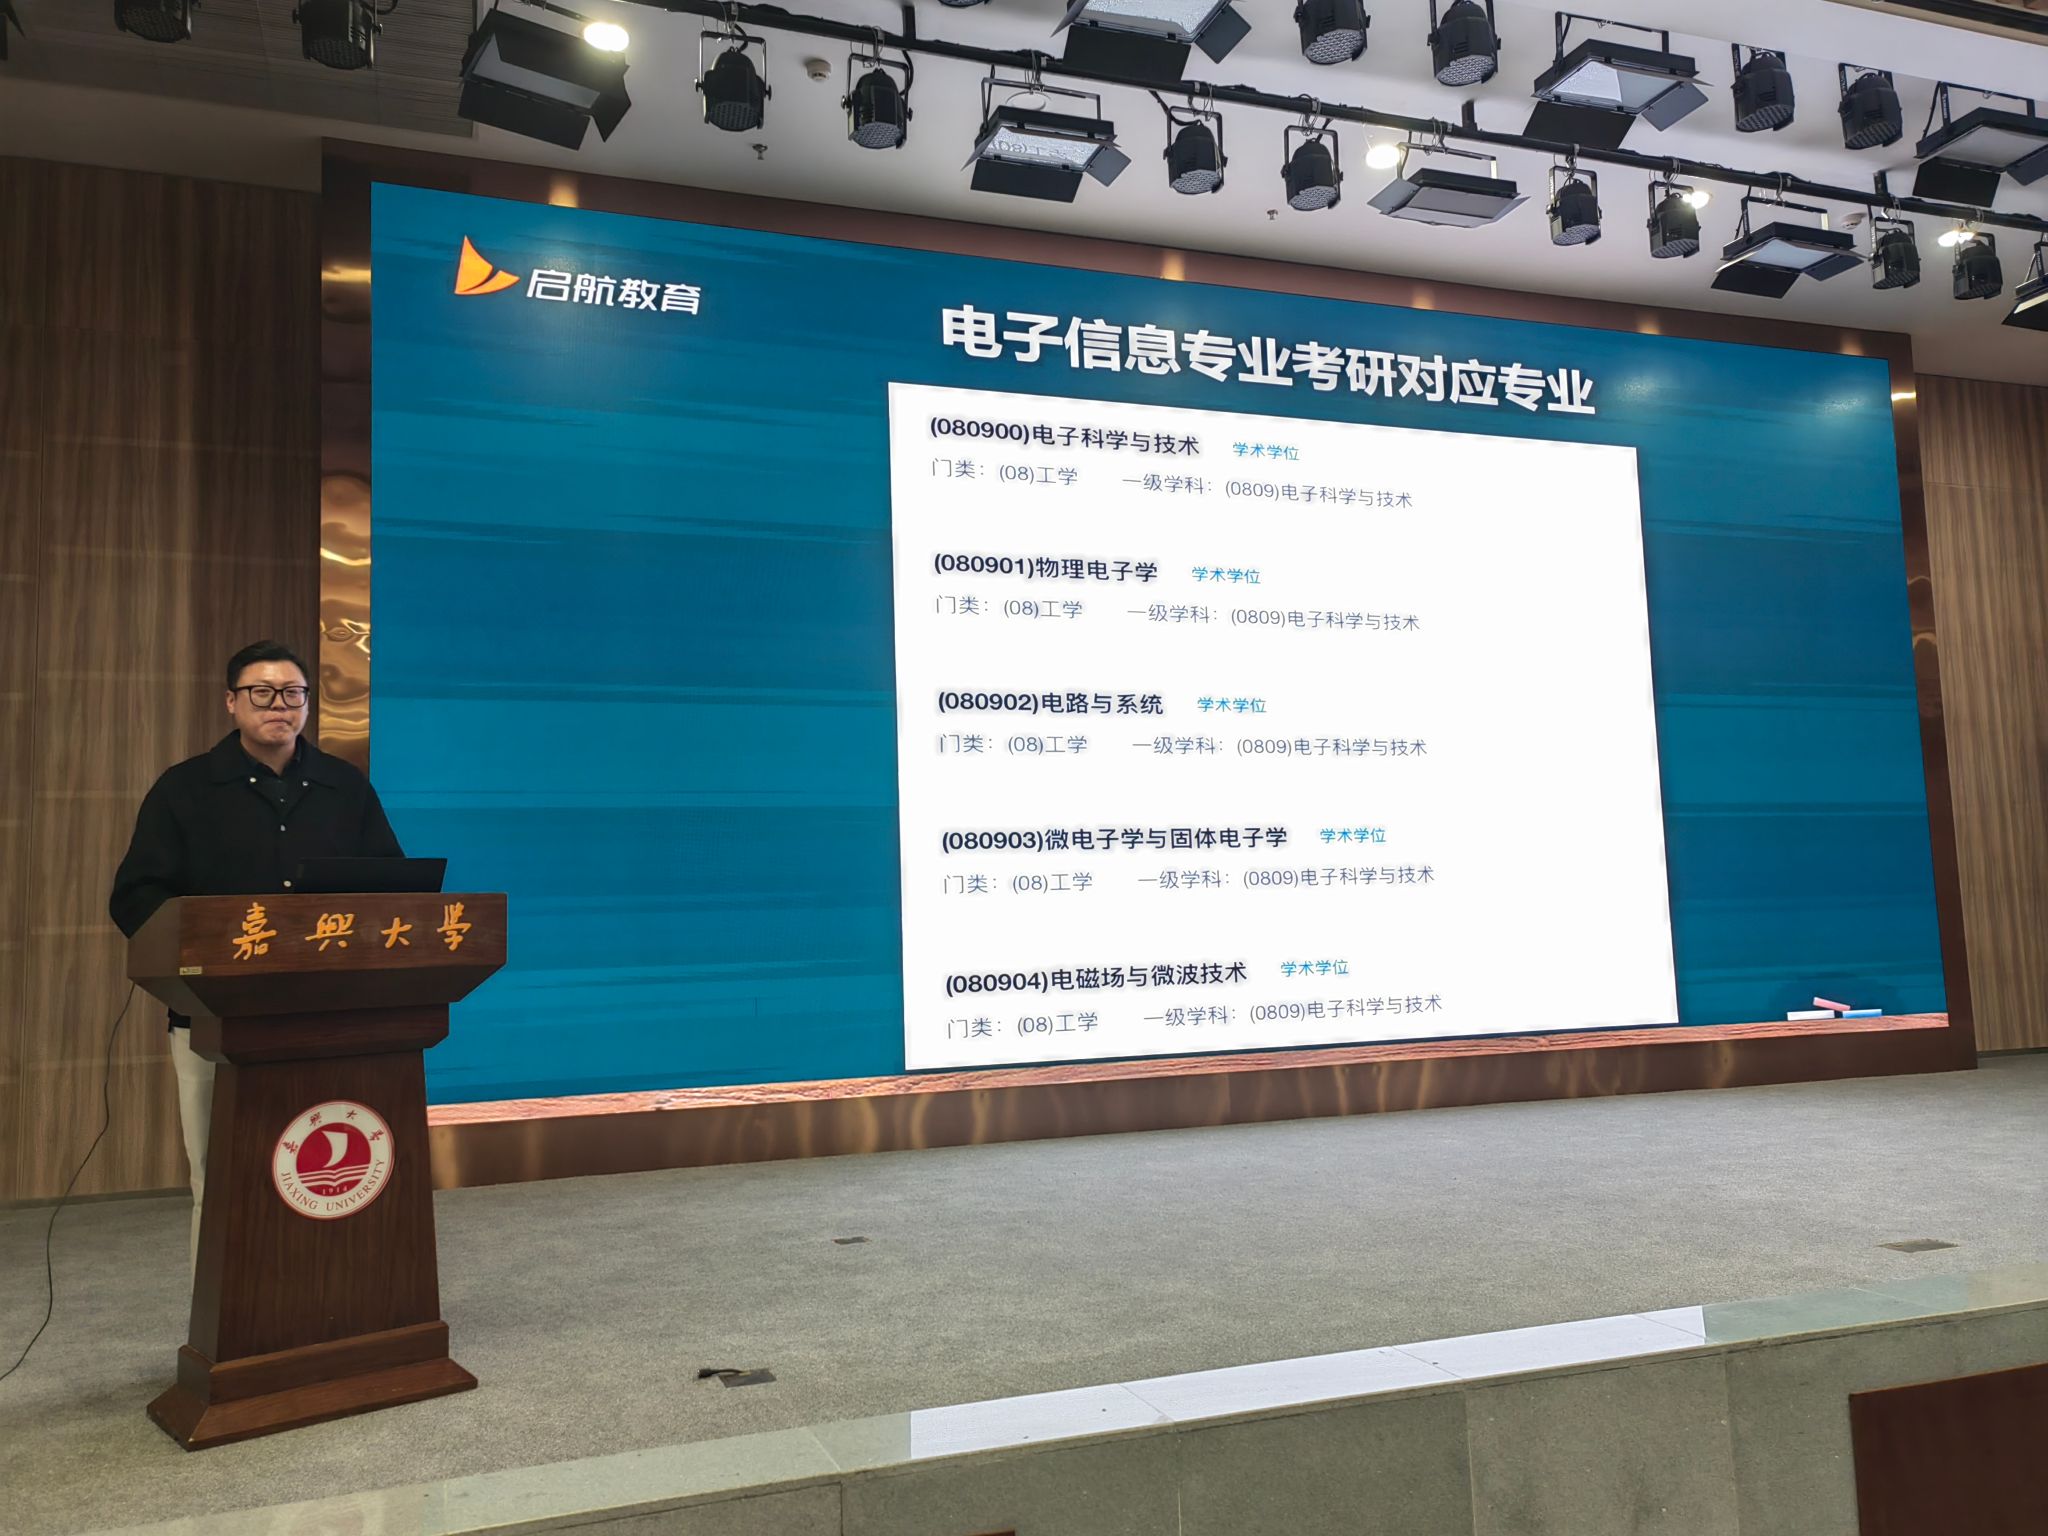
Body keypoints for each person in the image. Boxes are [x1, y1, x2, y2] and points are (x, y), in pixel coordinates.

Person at [109, 641, 404, 1271]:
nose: (279, 706)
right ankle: (221, 1317)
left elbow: (391, 889)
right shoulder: (185, 788)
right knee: (223, 1178)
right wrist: (196, 952)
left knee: (329, 1176)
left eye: (293, 694)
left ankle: (328, 1298)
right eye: (262, 693)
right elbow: (136, 896)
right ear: (231, 702)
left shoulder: (344, 786)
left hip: (330, 1016)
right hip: (214, 1015)